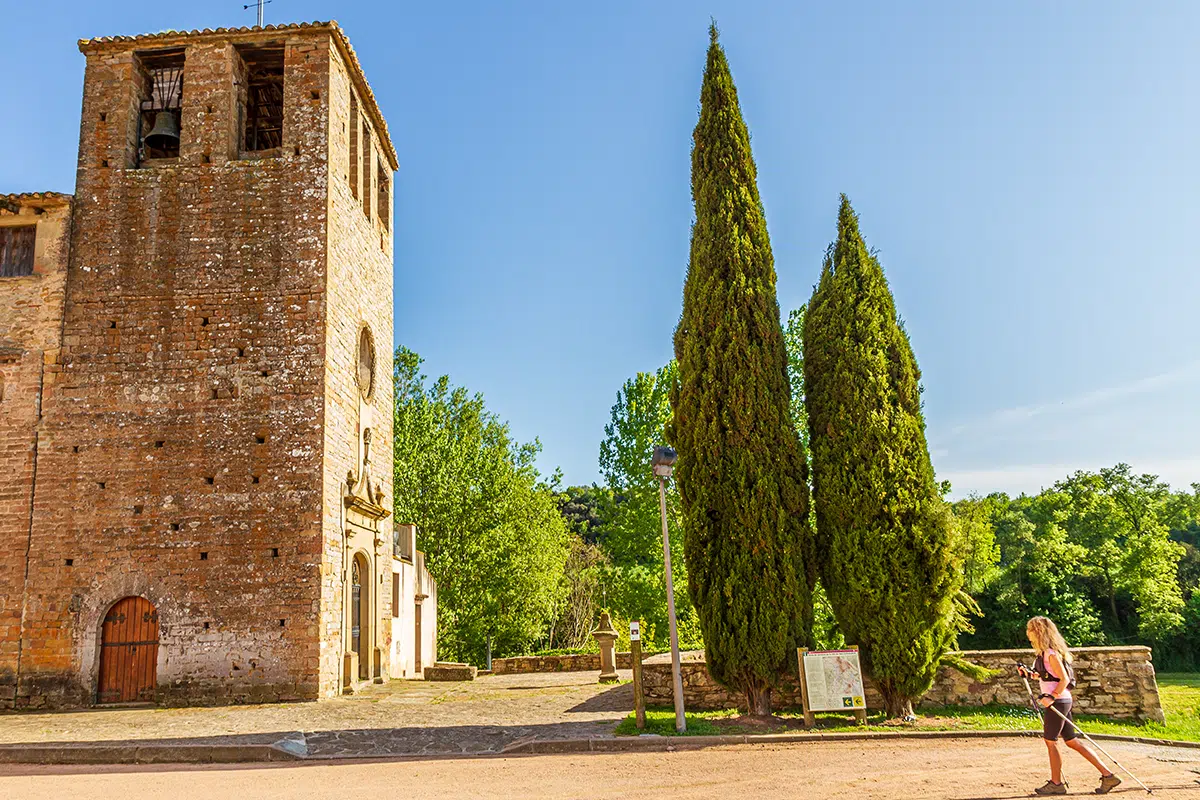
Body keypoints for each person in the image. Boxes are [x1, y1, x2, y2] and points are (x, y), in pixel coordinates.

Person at [1022, 616, 1121, 795]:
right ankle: (1108, 776)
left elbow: (1064, 679)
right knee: (1072, 741)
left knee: (1050, 741)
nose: (1027, 633)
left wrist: (1051, 696)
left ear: (1038, 632)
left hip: (1058, 702)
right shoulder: (1045, 654)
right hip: (1062, 700)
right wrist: (1030, 674)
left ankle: (1056, 784)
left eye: (1030, 630)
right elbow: (1048, 677)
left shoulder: (1050, 654)